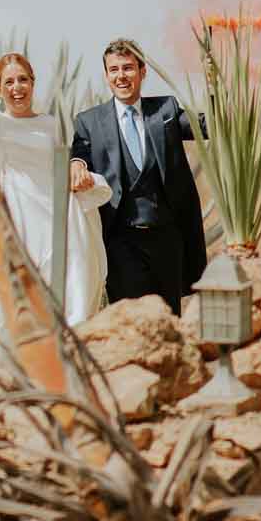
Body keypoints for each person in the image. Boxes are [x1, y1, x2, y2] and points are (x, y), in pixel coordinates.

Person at [0, 52, 111, 371]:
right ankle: (7, 374)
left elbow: (56, 167)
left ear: (33, 83)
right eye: (8, 81)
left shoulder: (49, 124)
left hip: (55, 215)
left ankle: (63, 369)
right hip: (17, 219)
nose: (17, 87)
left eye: (23, 79)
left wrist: (79, 173)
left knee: (65, 291)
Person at [69, 38, 206, 316]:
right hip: (121, 242)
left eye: (128, 68)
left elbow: (206, 126)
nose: (121, 76)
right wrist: (77, 165)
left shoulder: (165, 110)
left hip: (167, 240)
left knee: (168, 322)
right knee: (130, 324)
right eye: (114, 69)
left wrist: (215, 81)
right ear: (107, 75)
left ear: (143, 72)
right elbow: (79, 151)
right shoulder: (89, 121)